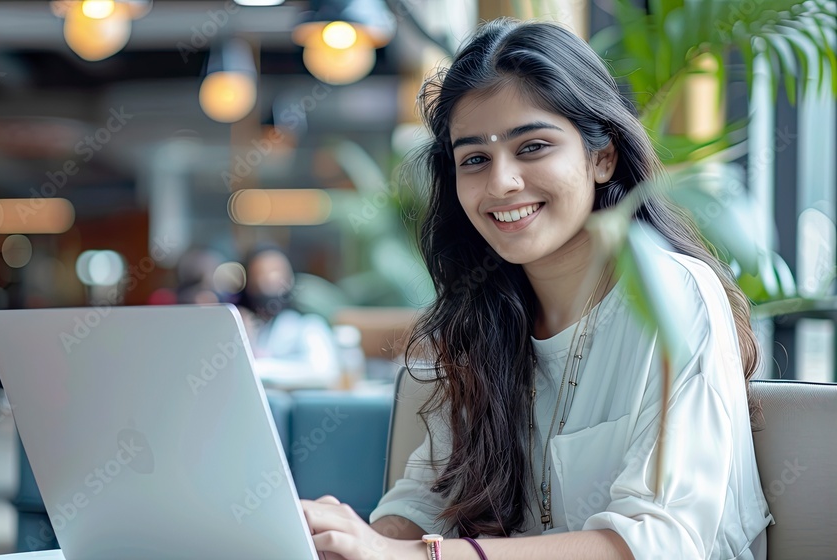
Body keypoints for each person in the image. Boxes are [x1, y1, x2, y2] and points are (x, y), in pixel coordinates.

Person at [300, 18, 772, 560]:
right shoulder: (482, 320)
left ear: (603, 156)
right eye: (474, 159)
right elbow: (432, 496)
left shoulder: (677, 296)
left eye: (533, 147)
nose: (501, 182)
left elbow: (659, 542)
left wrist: (411, 557)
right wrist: (353, 542)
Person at [236, 246, 341, 389]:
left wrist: (263, 368)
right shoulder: (253, 327)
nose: (268, 282)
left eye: (276, 273)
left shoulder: (308, 325)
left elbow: (324, 373)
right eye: (259, 275)